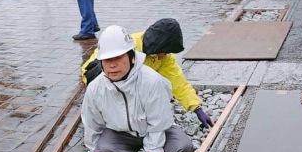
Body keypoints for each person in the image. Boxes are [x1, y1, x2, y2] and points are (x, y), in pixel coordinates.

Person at [81, 25, 195, 152]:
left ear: (131, 57)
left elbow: (158, 122)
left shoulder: (152, 82)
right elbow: (92, 124)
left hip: (154, 130)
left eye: (118, 58)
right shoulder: (96, 88)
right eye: (107, 59)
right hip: (120, 132)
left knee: (182, 149)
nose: (112, 65)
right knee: (104, 151)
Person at [80, 18, 214, 128]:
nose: (166, 54)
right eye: (166, 51)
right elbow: (88, 70)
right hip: (111, 88)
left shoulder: (163, 58)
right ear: (159, 44)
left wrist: (196, 108)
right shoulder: (128, 45)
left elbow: (178, 82)